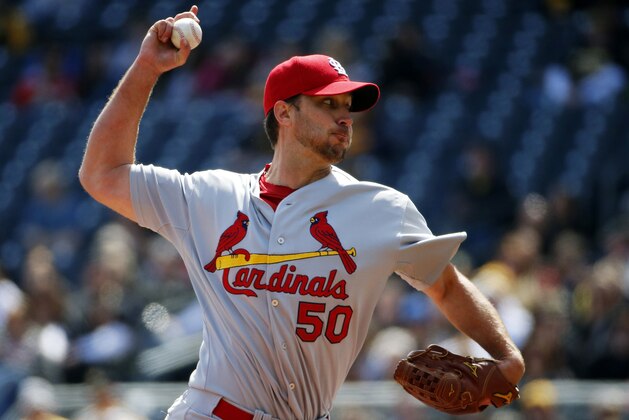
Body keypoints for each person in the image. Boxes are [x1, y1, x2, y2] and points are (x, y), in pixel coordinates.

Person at [79, 5, 525, 419]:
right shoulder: (209, 197)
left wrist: (507, 356)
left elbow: (446, 286)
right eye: (327, 104)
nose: (345, 117)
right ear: (284, 113)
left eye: (348, 106)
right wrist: (147, 68)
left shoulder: (382, 209)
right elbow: (101, 173)